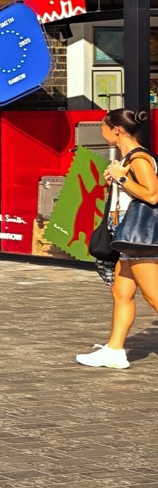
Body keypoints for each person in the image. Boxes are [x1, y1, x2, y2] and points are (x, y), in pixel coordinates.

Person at [78, 109, 158, 369]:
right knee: (121, 292)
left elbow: (153, 195)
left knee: (153, 295)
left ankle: (114, 350)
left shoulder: (139, 158)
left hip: (140, 238)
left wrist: (121, 177)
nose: (101, 130)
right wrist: (116, 179)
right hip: (128, 237)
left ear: (116, 130)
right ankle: (114, 350)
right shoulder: (127, 159)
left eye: (103, 126)